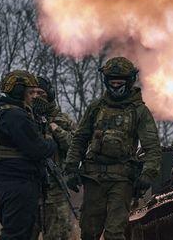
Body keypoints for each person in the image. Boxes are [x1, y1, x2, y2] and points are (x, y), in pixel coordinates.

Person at [63, 57, 161, 240]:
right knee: (89, 232)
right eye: (112, 82)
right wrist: (70, 168)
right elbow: (80, 139)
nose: (116, 87)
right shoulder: (96, 108)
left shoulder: (139, 111)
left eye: (120, 83)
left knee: (115, 232)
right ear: (106, 81)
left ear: (129, 81)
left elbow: (152, 147)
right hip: (93, 178)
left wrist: (148, 173)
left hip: (122, 180)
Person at [0, 70, 57, 240]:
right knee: (17, 233)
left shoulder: (4, 112)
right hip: (18, 182)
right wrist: (51, 142)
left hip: (13, 180)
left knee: (22, 230)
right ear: (19, 92)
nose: (34, 97)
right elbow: (38, 149)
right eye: (30, 92)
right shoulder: (15, 116)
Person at [31, 76, 76, 240]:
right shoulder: (23, 119)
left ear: (49, 94)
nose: (36, 96)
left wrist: (56, 130)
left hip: (55, 191)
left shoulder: (62, 120)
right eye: (32, 92)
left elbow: (76, 146)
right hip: (29, 190)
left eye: (41, 92)